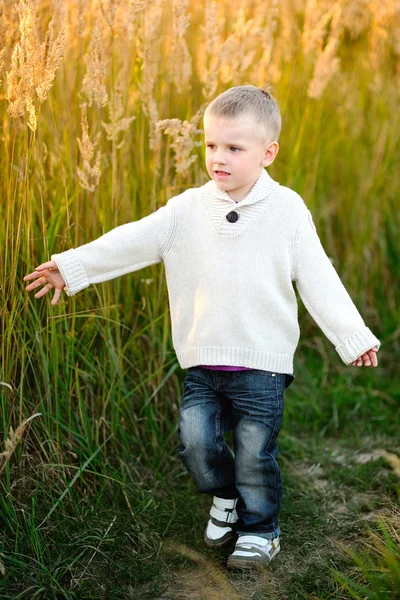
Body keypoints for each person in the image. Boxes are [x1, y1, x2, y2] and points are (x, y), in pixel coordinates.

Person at [23, 85, 380, 570]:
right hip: (203, 361)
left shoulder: (288, 210)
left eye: (235, 148)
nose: (219, 158)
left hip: (263, 365)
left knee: (255, 454)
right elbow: (130, 240)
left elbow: (319, 276)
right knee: (195, 441)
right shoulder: (185, 210)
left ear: (267, 153)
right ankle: (224, 495)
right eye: (212, 145)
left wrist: (351, 337)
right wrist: (72, 266)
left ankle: (260, 531)